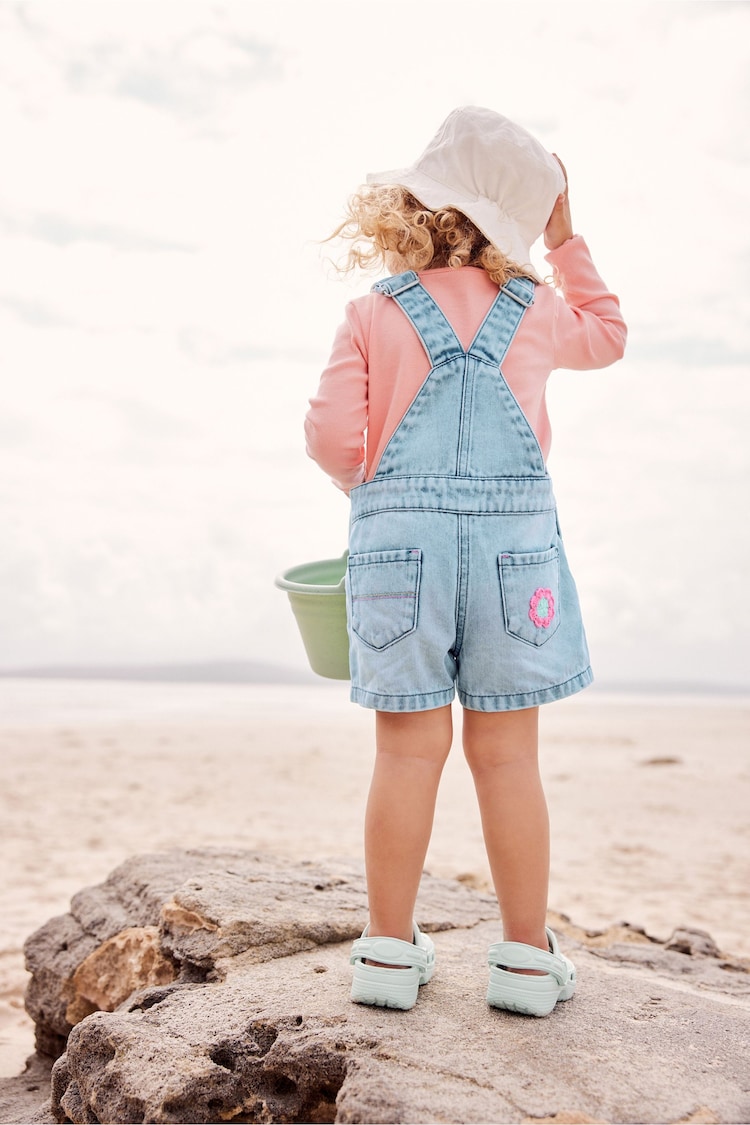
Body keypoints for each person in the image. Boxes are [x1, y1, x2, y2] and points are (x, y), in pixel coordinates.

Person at [304, 106, 626, 1016]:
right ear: (515, 224)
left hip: (397, 547)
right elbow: (610, 333)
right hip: (510, 556)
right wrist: (566, 242)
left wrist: (374, 495)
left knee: (406, 753)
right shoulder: (537, 313)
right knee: (508, 755)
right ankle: (525, 960)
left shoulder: (372, 310)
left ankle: (387, 955)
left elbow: (332, 437)